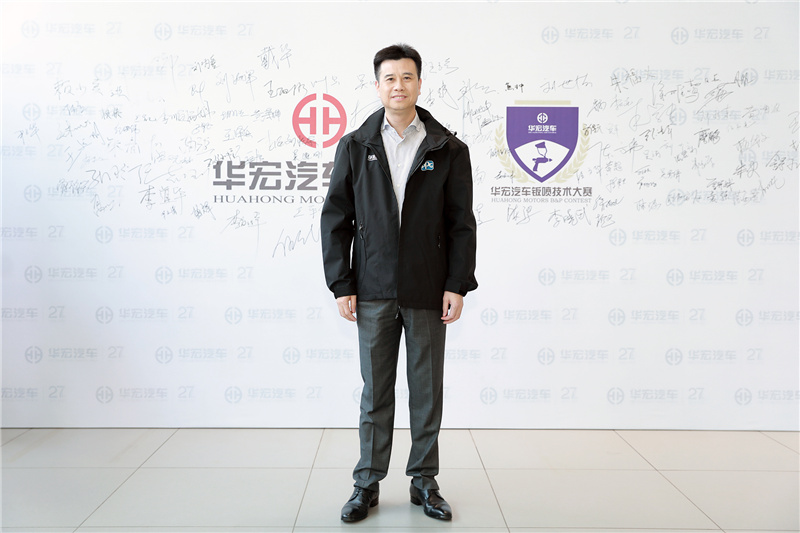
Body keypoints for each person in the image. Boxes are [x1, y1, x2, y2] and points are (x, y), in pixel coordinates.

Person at [320, 43, 478, 523]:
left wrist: (456, 283)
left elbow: (461, 223)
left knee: (426, 392)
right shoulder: (356, 145)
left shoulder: (447, 148)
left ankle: (424, 481)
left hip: (428, 289)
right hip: (371, 289)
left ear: (420, 84)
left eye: (407, 77)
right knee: (376, 393)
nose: (398, 86)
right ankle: (366, 483)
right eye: (390, 78)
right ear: (377, 85)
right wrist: (342, 283)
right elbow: (336, 219)